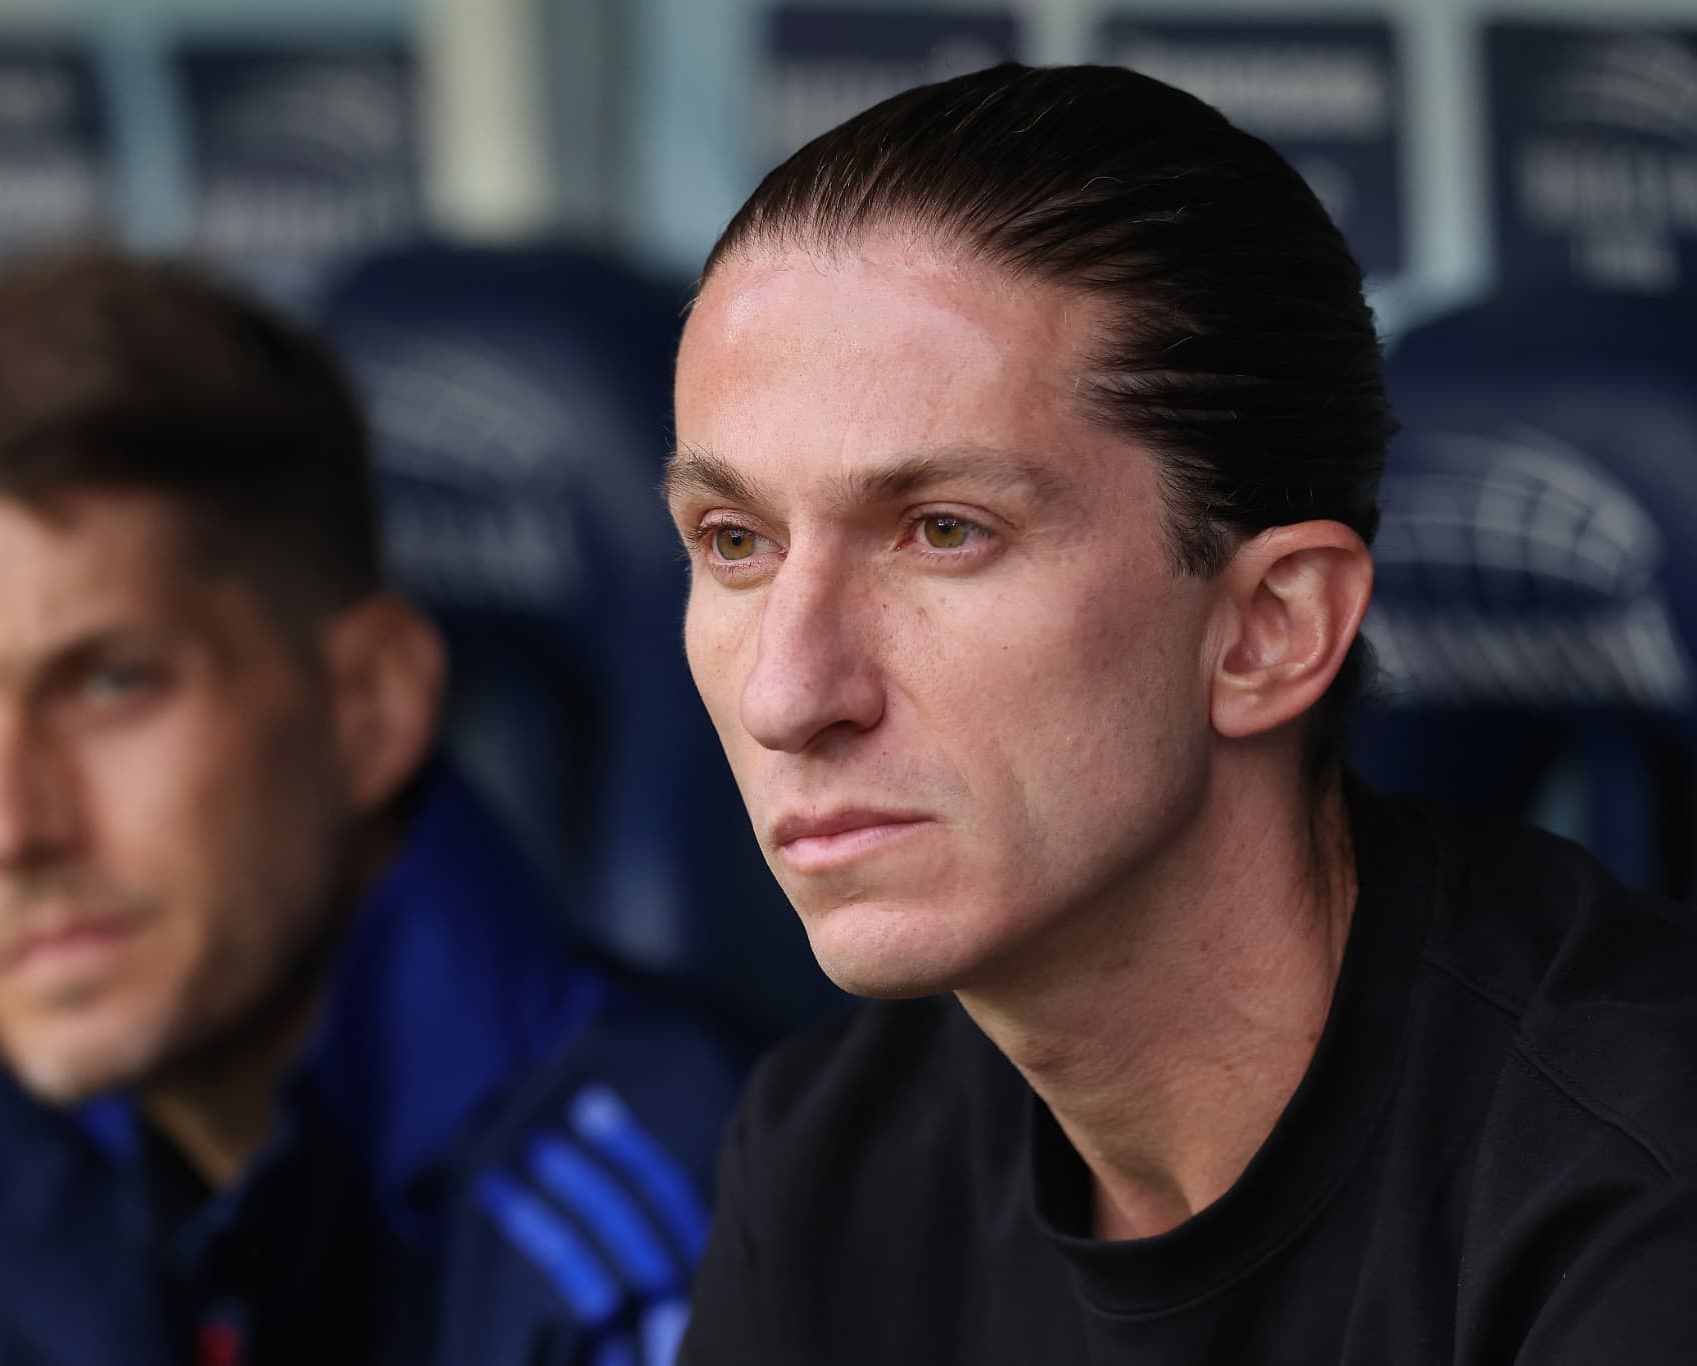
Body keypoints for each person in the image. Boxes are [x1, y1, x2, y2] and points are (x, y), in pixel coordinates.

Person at [664, 62, 1697, 1364]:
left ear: (1270, 628)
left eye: (942, 531)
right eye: (735, 539)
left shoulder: (1639, 1183)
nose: (787, 690)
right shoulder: (832, 1159)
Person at [0, 249, 743, 1366]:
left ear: (369, 707)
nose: (12, 825)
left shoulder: (656, 1242)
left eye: (108, 684)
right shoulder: (28, 1157)